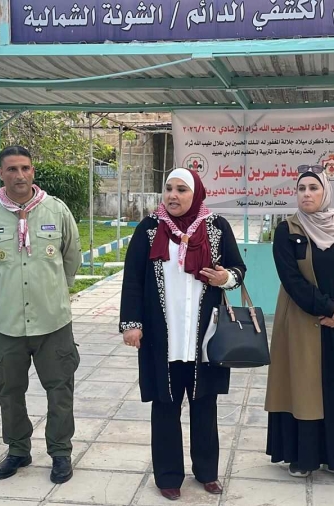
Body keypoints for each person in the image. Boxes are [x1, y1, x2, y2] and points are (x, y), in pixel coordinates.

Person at [119, 168, 246, 501]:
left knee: (205, 406)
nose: (173, 195)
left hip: (204, 338)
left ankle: (207, 473)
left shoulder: (216, 227)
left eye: (181, 190)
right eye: (169, 189)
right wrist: (131, 323)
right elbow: (132, 279)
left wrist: (225, 278)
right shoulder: (149, 229)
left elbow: (238, 270)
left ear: (196, 193)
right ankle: (168, 476)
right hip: (163, 337)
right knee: (165, 407)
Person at [0, 145, 82, 484]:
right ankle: (18, 449)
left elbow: (71, 258)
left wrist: (52, 291)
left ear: (33, 171)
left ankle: (60, 452)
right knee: (9, 391)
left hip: (53, 322)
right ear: (0, 174)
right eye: (12, 169)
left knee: (60, 390)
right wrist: (3, 294)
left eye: (25, 168)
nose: (20, 175)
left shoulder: (56, 210)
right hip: (6, 325)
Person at [265, 167, 334, 481]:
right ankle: (304, 457)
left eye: (313, 188)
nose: (307, 194)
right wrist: (328, 309)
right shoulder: (287, 230)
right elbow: (292, 280)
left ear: (325, 192)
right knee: (304, 385)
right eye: (301, 189)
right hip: (300, 320)